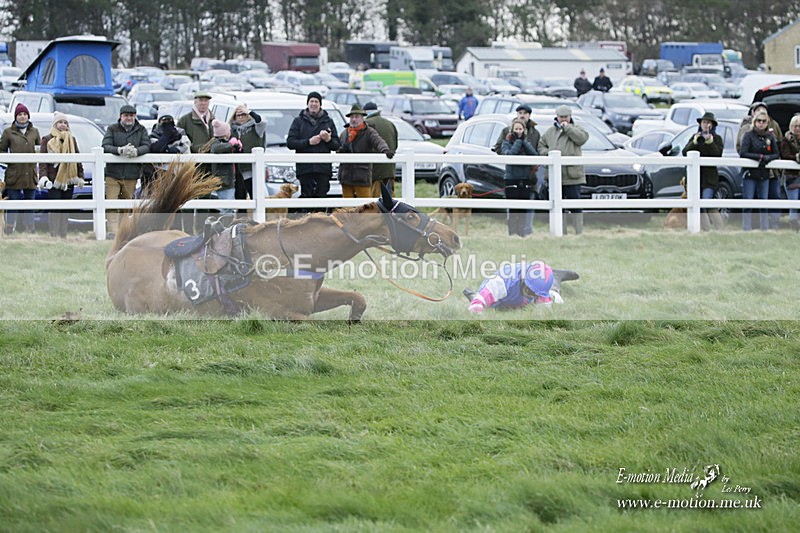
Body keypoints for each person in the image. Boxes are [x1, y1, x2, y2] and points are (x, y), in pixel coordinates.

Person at [538, 105, 589, 235]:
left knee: (575, 206)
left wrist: (568, 128)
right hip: (555, 177)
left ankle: (579, 231)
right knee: (558, 207)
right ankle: (561, 231)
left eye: (565, 117)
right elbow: (541, 146)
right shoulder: (550, 132)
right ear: (557, 117)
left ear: (570, 116)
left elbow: (582, 139)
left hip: (573, 176)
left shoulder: (577, 129)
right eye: (561, 117)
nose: (563, 119)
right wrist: (549, 153)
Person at [101, 104, 150, 239]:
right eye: (126, 115)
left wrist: (136, 151)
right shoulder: (112, 129)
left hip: (131, 174)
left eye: (131, 115)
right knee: (111, 203)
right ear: (121, 116)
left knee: (127, 204)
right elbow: (105, 145)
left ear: (135, 116)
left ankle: (123, 232)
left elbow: (147, 145)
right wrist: (119, 150)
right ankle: (113, 232)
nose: (129, 118)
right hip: (113, 173)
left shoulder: (141, 130)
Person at [493, 104, 541, 236]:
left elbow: (536, 151)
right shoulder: (506, 132)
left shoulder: (535, 133)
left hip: (528, 174)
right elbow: (501, 149)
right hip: (512, 174)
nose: (522, 115)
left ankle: (525, 231)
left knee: (527, 204)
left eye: (525, 113)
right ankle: (512, 232)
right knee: (513, 205)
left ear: (529, 115)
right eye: (520, 112)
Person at [463, 260, 579, 314]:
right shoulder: (500, 283)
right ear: (523, 279)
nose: (531, 296)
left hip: (524, 294)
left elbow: (544, 312)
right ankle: (555, 276)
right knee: (488, 305)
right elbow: (477, 305)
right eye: (529, 291)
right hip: (501, 298)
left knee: (556, 299)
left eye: (535, 294)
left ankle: (555, 279)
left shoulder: (538, 289)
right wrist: (477, 307)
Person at [287, 91, 341, 203]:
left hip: (323, 168)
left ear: (320, 104)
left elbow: (337, 145)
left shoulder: (328, 121)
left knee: (321, 199)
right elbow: (290, 143)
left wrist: (328, 140)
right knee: (306, 199)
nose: (314, 104)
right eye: (311, 101)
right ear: (308, 103)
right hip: (305, 168)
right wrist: (308, 142)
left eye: (316, 101)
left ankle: (320, 220)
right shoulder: (298, 121)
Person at [736, 101, 783, 228]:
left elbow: (776, 153)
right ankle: (746, 228)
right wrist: (760, 157)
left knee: (764, 203)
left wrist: (768, 158)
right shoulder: (748, 135)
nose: (761, 123)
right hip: (750, 173)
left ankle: (765, 228)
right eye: (759, 121)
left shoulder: (770, 136)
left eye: (763, 121)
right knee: (748, 202)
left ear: (767, 122)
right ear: (754, 121)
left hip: (764, 174)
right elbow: (743, 152)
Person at [39, 112, 84, 238]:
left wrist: (80, 175)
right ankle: (54, 234)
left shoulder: (72, 139)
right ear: (55, 124)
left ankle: (63, 234)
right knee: (55, 208)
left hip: (69, 178)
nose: (63, 125)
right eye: (60, 122)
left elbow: (77, 158)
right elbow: (43, 161)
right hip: (54, 179)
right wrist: (44, 176)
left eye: (65, 122)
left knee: (65, 208)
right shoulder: (46, 139)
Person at [0, 103, 41, 234]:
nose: (22, 117)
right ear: (15, 117)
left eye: (24, 114)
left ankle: (30, 229)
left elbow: (39, 149)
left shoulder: (35, 131)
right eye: (20, 114)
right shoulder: (8, 132)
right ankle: (9, 229)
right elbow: (2, 151)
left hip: (30, 174)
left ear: (28, 116)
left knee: (30, 204)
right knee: (13, 204)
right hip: (14, 174)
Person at [177, 91, 215, 231]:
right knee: (188, 199)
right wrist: (201, 149)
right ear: (195, 102)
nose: (203, 103)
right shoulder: (185, 120)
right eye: (200, 100)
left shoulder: (214, 120)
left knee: (205, 200)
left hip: (208, 168)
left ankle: (201, 230)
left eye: (206, 100)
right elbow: (182, 142)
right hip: (190, 167)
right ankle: (186, 231)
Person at [337, 104, 393, 198]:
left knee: (365, 206)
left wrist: (385, 150)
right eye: (352, 117)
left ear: (362, 118)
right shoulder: (344, 133)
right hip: (345, 176)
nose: (354, 119)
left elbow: (378, 141)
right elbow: (338, 148)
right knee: (346, 208)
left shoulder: (369, 132)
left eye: (357, 117)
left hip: (361, 176)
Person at [681, 111, 724, 230]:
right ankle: (705, 229)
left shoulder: (717, 138)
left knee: (707, 202)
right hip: (695, 178)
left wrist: (710, 142)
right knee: (697, 204)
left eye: (708, 122)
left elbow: (717, 155)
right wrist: (695, 142)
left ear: (713, 125)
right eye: (704, 122)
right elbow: (685, 152)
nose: (705, 124)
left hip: (709, 178)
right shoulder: (695, 136)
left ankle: (719, 228)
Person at [501, 118, 538, 237]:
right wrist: (518, 141)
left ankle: (522, 233)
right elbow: (511, 155)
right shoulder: (506, 143)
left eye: (520, 129)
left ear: (524, 130)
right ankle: (512, 232)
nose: (518, 131)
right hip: (512, 178)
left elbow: (534, 154)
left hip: (525, 178)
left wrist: (524, 142)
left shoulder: (526, 142)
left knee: (523, 209)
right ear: (512, 130)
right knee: (513, 208)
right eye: (516, 129)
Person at [141, 111, 190, 197]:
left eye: (169, 120)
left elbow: (186, 146)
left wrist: (173, 150)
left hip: (176, 171)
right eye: (164, 120)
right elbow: (156, 149)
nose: (167, 122)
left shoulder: (180, 132)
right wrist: (166, 137)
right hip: (157, 171)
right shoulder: (154, 133)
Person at [229, 103, 266, 204]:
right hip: (238, 169)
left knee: (255, 196)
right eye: (238, 115)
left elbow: (261, 121)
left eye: (243, 114)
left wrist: (248, 111)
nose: (241, 117)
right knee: (240, 198)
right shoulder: (232, 130)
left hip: (253, 168)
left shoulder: (256, 127)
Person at [205, 119, 242, 216]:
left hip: (229, 180)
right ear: (225, 133)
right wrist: (231, 144)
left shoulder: (224, 143)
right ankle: (225, 227)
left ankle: (225, 226)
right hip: (223, 181)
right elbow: (216, 149)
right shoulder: (216, 142)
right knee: (226, 208)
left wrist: (237, 147)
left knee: (228, 207)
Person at [364, 101, 398, 196]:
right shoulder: (390, 123)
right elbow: (395, 145)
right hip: (389, 167)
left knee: (374, 200)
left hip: (374, 169)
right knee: (390, 197)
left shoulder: (366, 124)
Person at [779, 114, 800, 232]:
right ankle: (793, 229)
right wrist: (797, 157)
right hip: (791, 177)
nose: (798, 128)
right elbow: (785, 155)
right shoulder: (786, 140)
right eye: (795, 126)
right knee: (794, 205)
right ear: (791, 126)